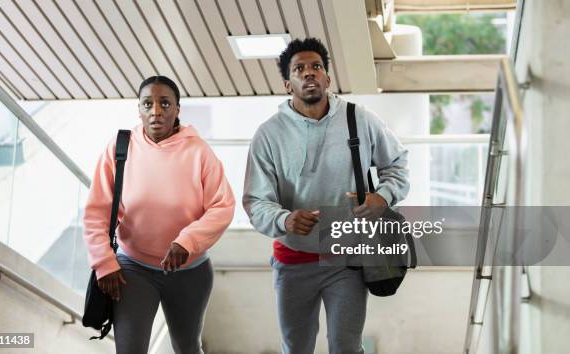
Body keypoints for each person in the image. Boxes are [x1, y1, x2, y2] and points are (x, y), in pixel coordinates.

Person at [243, 38, 409, 354]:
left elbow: (397, 164)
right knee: (296, 347)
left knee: (346, 347)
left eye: (316, 67)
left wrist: (383, 197)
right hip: (292, 263)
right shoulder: (268, 134)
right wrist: (284, 218)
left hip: (346, 259)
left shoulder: (360, 119)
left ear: (327, 79)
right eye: (299, 69)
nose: (309, 73)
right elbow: (255, 200)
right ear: (287, 83)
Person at [83, 76, 235, 354]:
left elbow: (222, 206)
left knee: (187, 347)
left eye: (165, 103)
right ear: (138, 109)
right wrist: (104, 262)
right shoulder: (119, 148)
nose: (156, 111)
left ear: (177, 109)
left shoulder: (199, 152)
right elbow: (97, 212)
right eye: (148, 103)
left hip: (189, 271)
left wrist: (186, 241)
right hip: (133, 268)